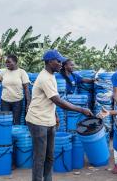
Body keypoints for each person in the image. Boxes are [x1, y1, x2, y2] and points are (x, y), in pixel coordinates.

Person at [25, 50, 93, 181]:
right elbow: (58, 101)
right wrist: (81, 109)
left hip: (48, 120)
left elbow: (51, 100)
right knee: (40, 157)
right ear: (50, 62)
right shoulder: (44, 78)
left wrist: (55, 115)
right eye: (58, 61)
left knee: (50, 155)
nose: (61, 64)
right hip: (38, 121)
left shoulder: (51, 76)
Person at [0, 54, 31, 125]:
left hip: (17, 102)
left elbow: (26, 89)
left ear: (15, 62)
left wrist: (28, 103)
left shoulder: (22, 72)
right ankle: (6, 135)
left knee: (16, 122)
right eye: (6, 62)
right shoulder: (4, 72)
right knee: (5, 122)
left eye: (9, 62)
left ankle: (15, 136)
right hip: (5, 102)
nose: (7, 64)